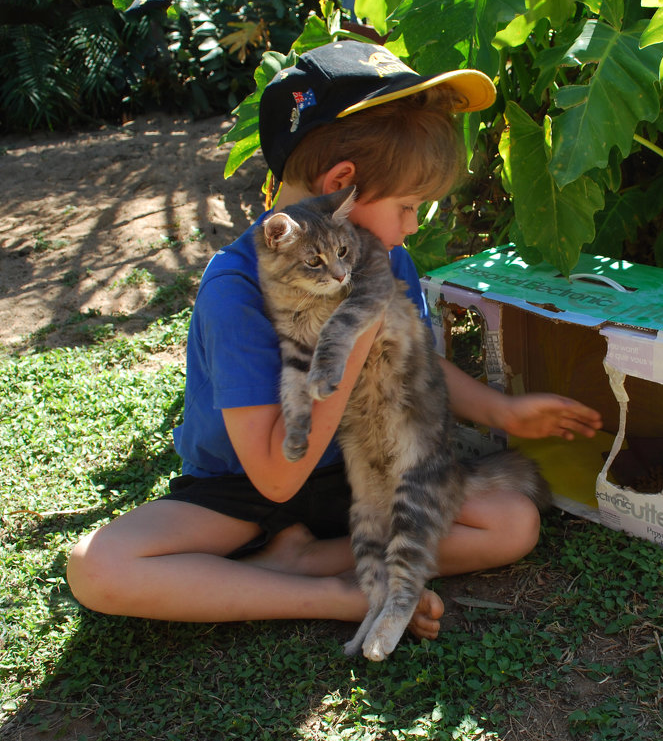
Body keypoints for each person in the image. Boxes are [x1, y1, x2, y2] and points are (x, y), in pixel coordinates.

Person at [66, 41, 602, 643]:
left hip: (355, 474)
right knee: (98, 568)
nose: (411, 227)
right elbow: (273, 477)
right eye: (407, 206)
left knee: (511, 524)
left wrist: (501, 411)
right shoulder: (236, 290)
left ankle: (301, 558)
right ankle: (326, 592)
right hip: (241, 488)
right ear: (343, 185)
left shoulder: (378, 255)